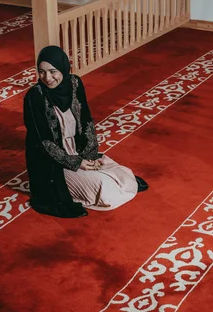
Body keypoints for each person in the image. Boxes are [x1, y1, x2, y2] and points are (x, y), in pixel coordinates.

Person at [23, 45, 148, 218]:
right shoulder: (35, 96)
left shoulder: (74, 84)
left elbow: (86, 121)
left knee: (126, 178)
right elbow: (44, 144)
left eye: (53, 71)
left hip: (79, 152)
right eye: (42, 72)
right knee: (106, 190)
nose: (47, 78)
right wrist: (76, 163)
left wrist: (89, 155)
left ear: (64, 69)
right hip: (55, 163)